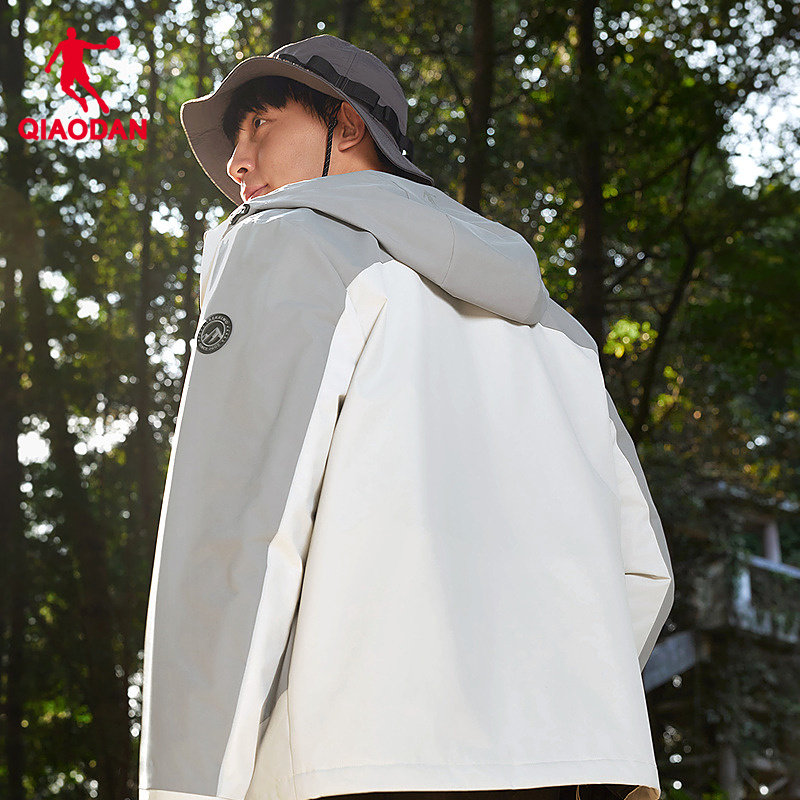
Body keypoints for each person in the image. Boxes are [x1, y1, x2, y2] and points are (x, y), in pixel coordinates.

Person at [138, 34, 675, 800]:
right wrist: (554, 720)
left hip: (355, 759)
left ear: (346, 125)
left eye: (260, 123)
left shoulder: (285, 242)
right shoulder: (557, 331)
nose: (237, 164)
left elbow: (240, 523)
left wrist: (186, 785)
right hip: (565, 768)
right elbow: (643, 569)